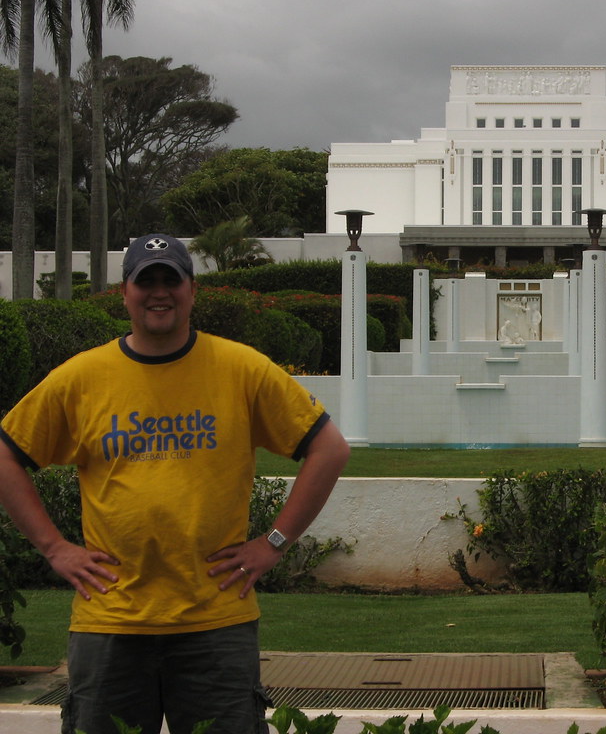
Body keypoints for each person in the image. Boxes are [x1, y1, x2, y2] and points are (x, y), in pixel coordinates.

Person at [0, 233, 350, 734]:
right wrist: (55, 548)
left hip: (216, 622)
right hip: (112, 623)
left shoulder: (241, 369)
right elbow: (6, 455)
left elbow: (330, 448)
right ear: (125, 292)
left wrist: (274, 542)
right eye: (147, 281)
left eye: (171, 279)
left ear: (192, 290)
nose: (158, 292)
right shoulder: (82, 378)